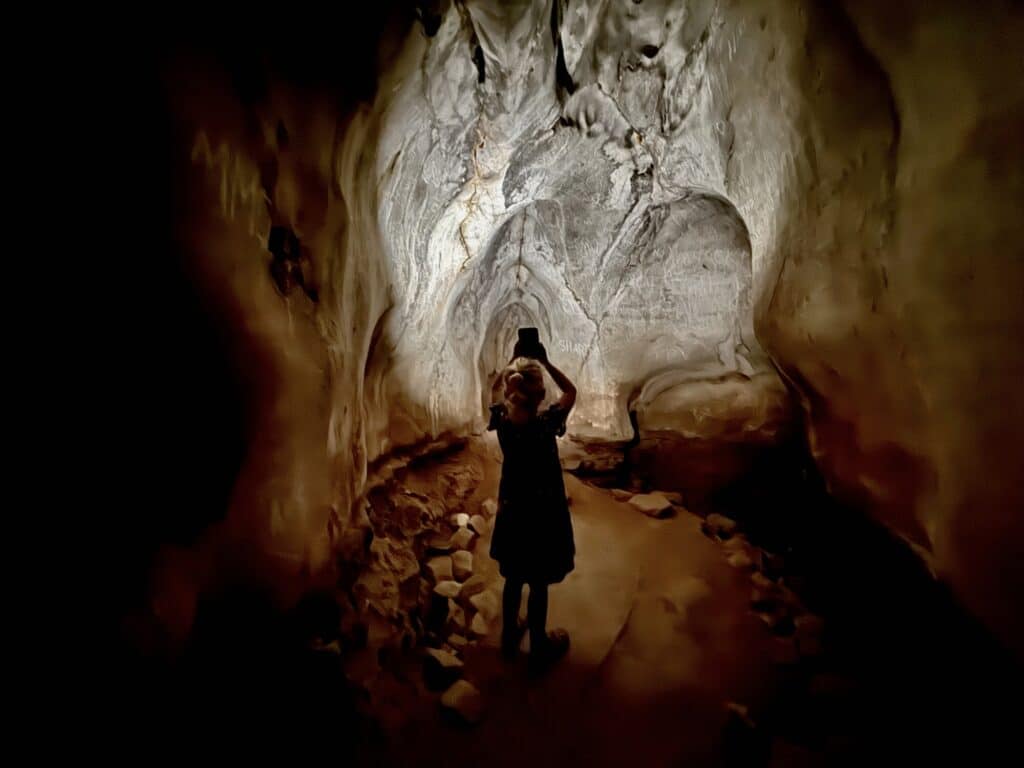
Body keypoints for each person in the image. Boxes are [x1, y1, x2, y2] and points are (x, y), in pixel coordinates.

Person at [487, 340, 577, 673]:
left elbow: (492, 391)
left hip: (513, 511)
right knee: (538, 582)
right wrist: (546, 361)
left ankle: (509, 637)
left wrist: (509, 363)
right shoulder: (547, 424)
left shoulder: (504, 424)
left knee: (513, 578)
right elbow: (570, 391)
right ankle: (538, 643)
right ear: (540, 395)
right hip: (544, 513)